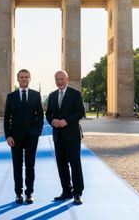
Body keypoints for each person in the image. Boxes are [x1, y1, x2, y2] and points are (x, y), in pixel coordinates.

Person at [46, 70, 85, 205]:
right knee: (61, 165)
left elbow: (81, 112)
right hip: (58, 136)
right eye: (57, 79)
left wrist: (66, 121)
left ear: (67, 79)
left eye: (62, 79)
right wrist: (52, 121)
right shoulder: (52, 96)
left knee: (75, 165)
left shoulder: (75, 94)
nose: (59, 82)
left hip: (73, 136)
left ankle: (78, 193)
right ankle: (66, 191)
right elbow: (48, 113)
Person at [4, 69, 44, 204]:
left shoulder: (36, 95)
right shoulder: (11, 96)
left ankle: (29, 193)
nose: (24, 79)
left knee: (30, 165)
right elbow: (6, 118)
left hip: (32, 136)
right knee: (17, 166)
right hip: (15, 137)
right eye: (22, 77)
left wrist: (38, 131)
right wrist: (8, 135)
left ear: (30, 79)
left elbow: (40, 115)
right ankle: (18, 193)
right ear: (18, 79)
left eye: (26, 77)